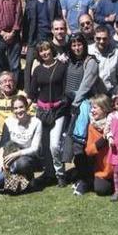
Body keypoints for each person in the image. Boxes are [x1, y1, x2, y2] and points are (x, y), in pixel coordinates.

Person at [29, 41, 69, 187]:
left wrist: (63, 103)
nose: (45, 53)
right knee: (44, 145)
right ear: (39, 54)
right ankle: (48, 173)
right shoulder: (38, 70)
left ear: (52, 50)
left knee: (54, 145)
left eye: (47, 50)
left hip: (58, 110)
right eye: (41, 51)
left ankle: (60, 173)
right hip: (42, 111)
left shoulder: (62, 67)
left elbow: (66, 89)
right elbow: (32, 92)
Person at [22, 0, 62, 92]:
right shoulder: (30, 0)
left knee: (51, 63)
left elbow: (59, 16)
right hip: (34, 37)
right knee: (29, 64)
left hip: (49, 36)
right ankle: (28, 91)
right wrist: (24, 41)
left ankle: (50, 88)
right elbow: (26, 21)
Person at [0, 95, 43, 180]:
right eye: (15, 108)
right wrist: (1, 160)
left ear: (26, 107)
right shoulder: (8, 122)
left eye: (21, 107)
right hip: (11, 153)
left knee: (21, 164)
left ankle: (29, 177)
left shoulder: (36, 122)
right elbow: (3, 145)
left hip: (30, 156)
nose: (18, 110)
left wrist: (18, 154)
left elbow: (35, 148)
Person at [89, 25, 118, 92]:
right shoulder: (88, 51)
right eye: (98, 38)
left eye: (104, 38)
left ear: (109, 38)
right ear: (94, 38)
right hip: (91, 92)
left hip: (110, 92)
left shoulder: (116, 53)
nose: (101, 41)